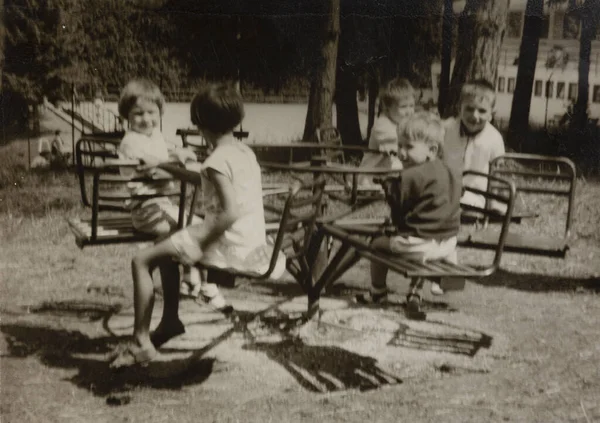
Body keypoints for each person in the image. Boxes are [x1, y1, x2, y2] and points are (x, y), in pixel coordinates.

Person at [110, 83, 271, 368]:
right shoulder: (243, 153)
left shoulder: (215, 160)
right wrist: (172, 165)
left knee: (141, 261)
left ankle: (140, 341)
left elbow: (228, 210)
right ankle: (170, 320)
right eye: (139, 114)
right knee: (170, 247)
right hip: (247, 239)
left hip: (223, 240)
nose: (146, 119)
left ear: (199, 126)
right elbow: (202, 179)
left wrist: (199, 245)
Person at [116, 78, 220, 305]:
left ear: (160, 112)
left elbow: (163, 157)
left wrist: (179, 154)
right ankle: (202, 283)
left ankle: (189, 278)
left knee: (195, 224)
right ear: (127, 116)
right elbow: (153, 170)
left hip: (160, 205)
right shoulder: (131, 142)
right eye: (138, 114)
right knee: (197, 228)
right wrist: (178, 162)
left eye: (152, 112)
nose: (146, 119)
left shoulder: (154, 138)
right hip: (146, 209)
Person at [356, 111, 461, 306]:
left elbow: (397, 202)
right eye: (400, 145)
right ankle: (415, 292)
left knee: (377, 244)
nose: (401, 152)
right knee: (419, 233)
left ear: (432, 149)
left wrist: (388, 180)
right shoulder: (448, 170)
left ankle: (377, 292)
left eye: (409, 147)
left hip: (421, 246)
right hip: (448, 243)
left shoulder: (412, 174)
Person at [443, 79, 506, 211]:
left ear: (491, 115)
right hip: (445, 192)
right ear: (459, 109)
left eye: (482, 111)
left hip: (475, 197)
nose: (475, 115)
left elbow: (496, 177)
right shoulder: (447, 130)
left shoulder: (494, 139)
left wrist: (494, 205)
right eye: (469, 109)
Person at [357, 78, 416, 185]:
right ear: (386, 107)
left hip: (385, 173)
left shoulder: (401, 123)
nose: (409, 112)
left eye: (412, 106)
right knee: (400, 164)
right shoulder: (382, 125)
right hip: (372, 175)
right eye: (403, 107)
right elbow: (395, 145)